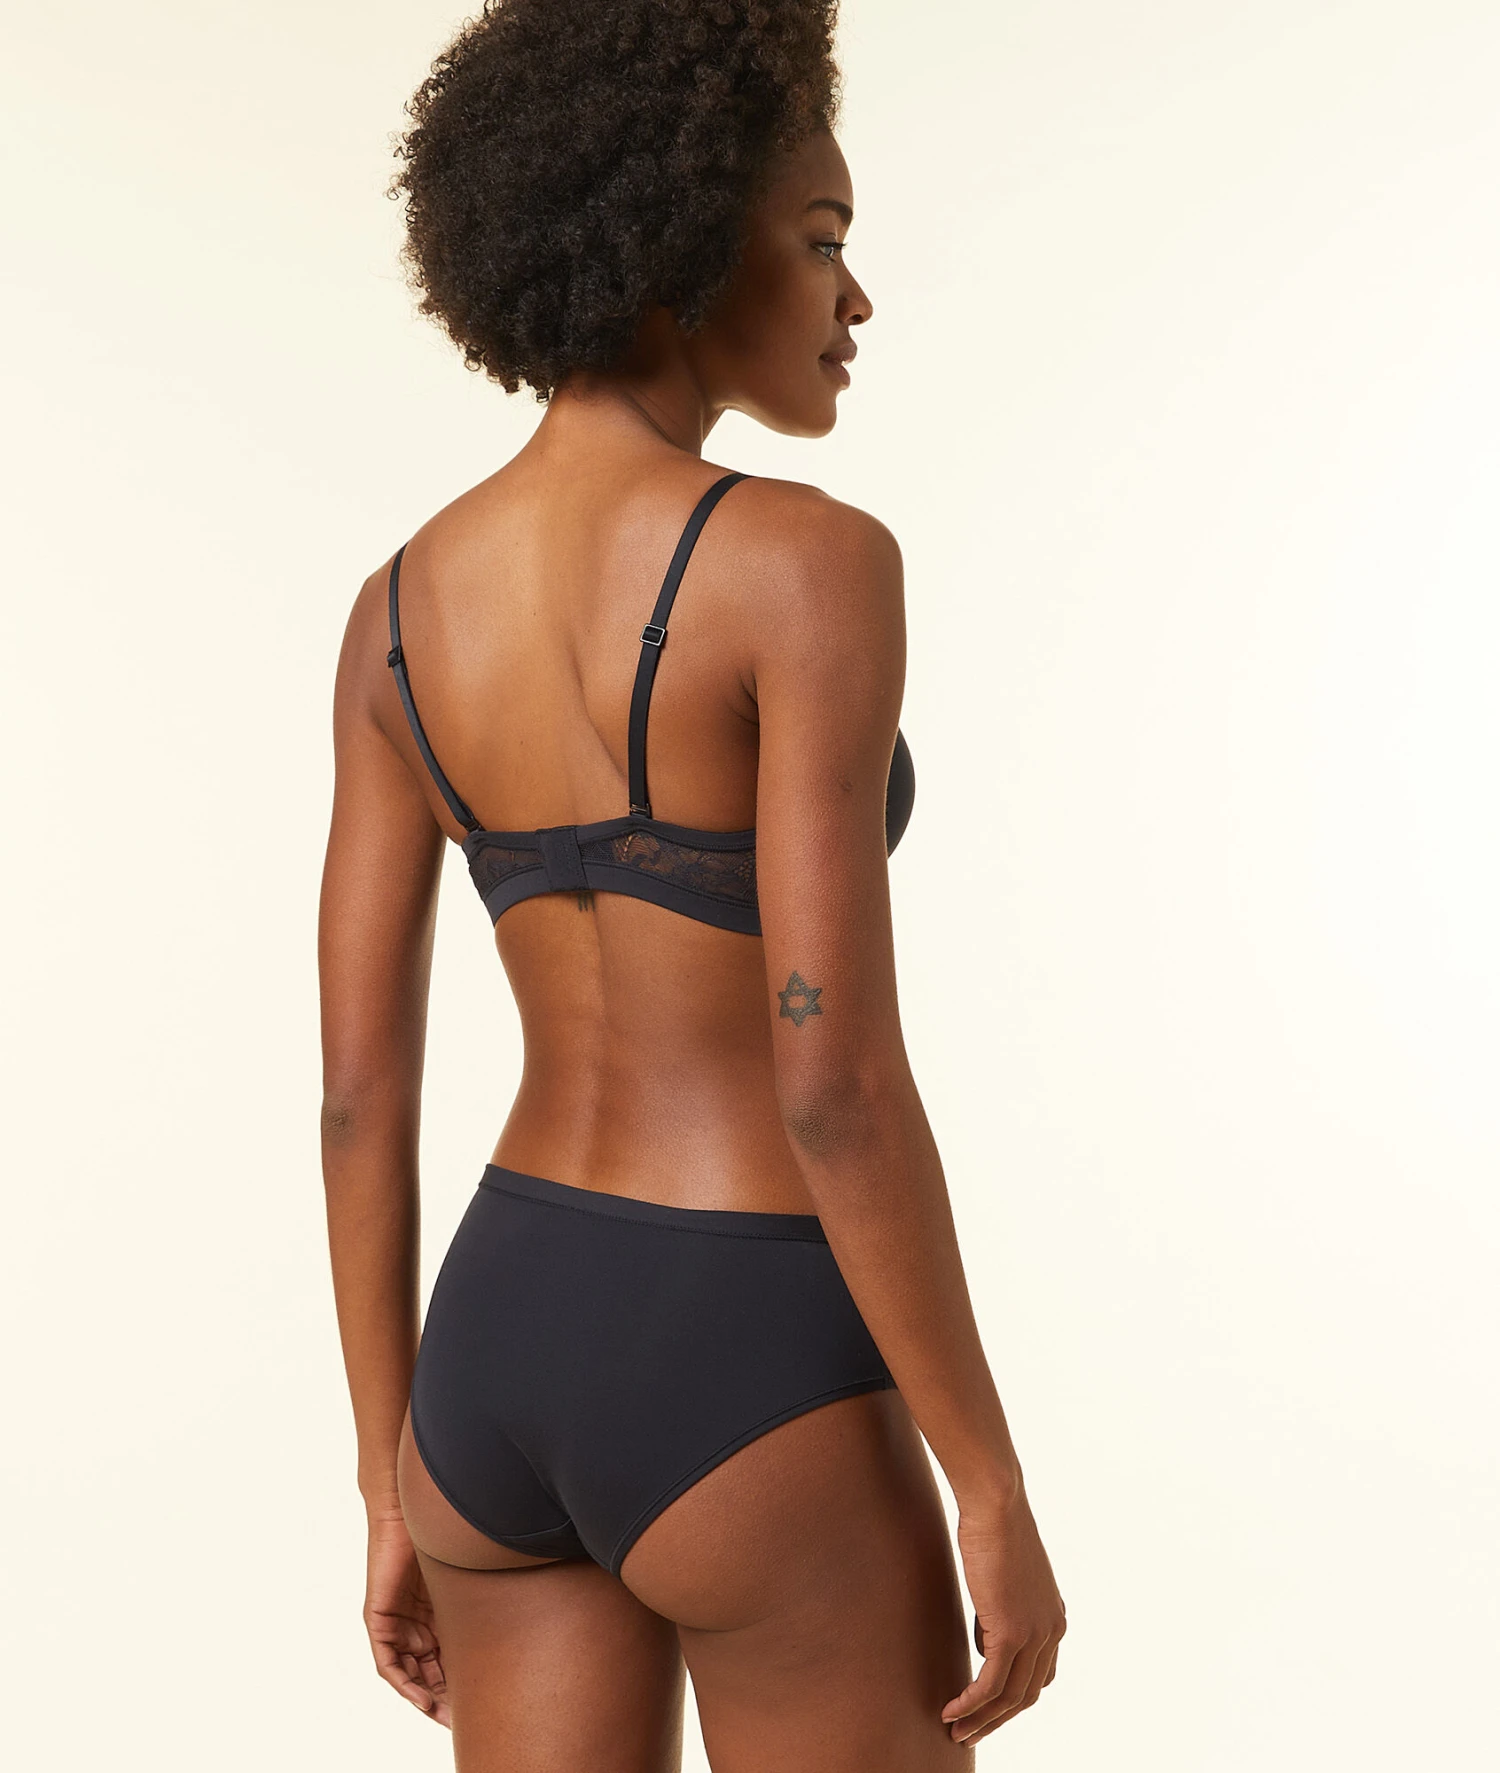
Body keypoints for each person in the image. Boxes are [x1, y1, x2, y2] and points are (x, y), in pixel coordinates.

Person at [318, 3, 1065, 1766]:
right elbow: (831, 1081)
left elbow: (357, 1097)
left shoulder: (396, 615)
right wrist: (986, 1478)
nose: (854, 298)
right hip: (745, 1339)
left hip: (490, 1358)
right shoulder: (807, 565)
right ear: (677, 240)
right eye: (819, 240)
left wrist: (387, 1478)